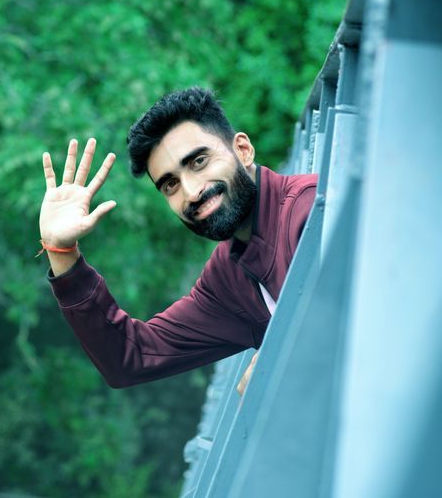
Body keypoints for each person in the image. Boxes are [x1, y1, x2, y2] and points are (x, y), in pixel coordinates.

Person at [38, 86, 316, 393]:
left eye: (198, 162)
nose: (191, 191)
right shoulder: (228, 275)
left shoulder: (312, 209)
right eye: (170, 184)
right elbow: (133, 357)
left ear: (243, 150)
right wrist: (62, 251)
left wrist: (282, 358)